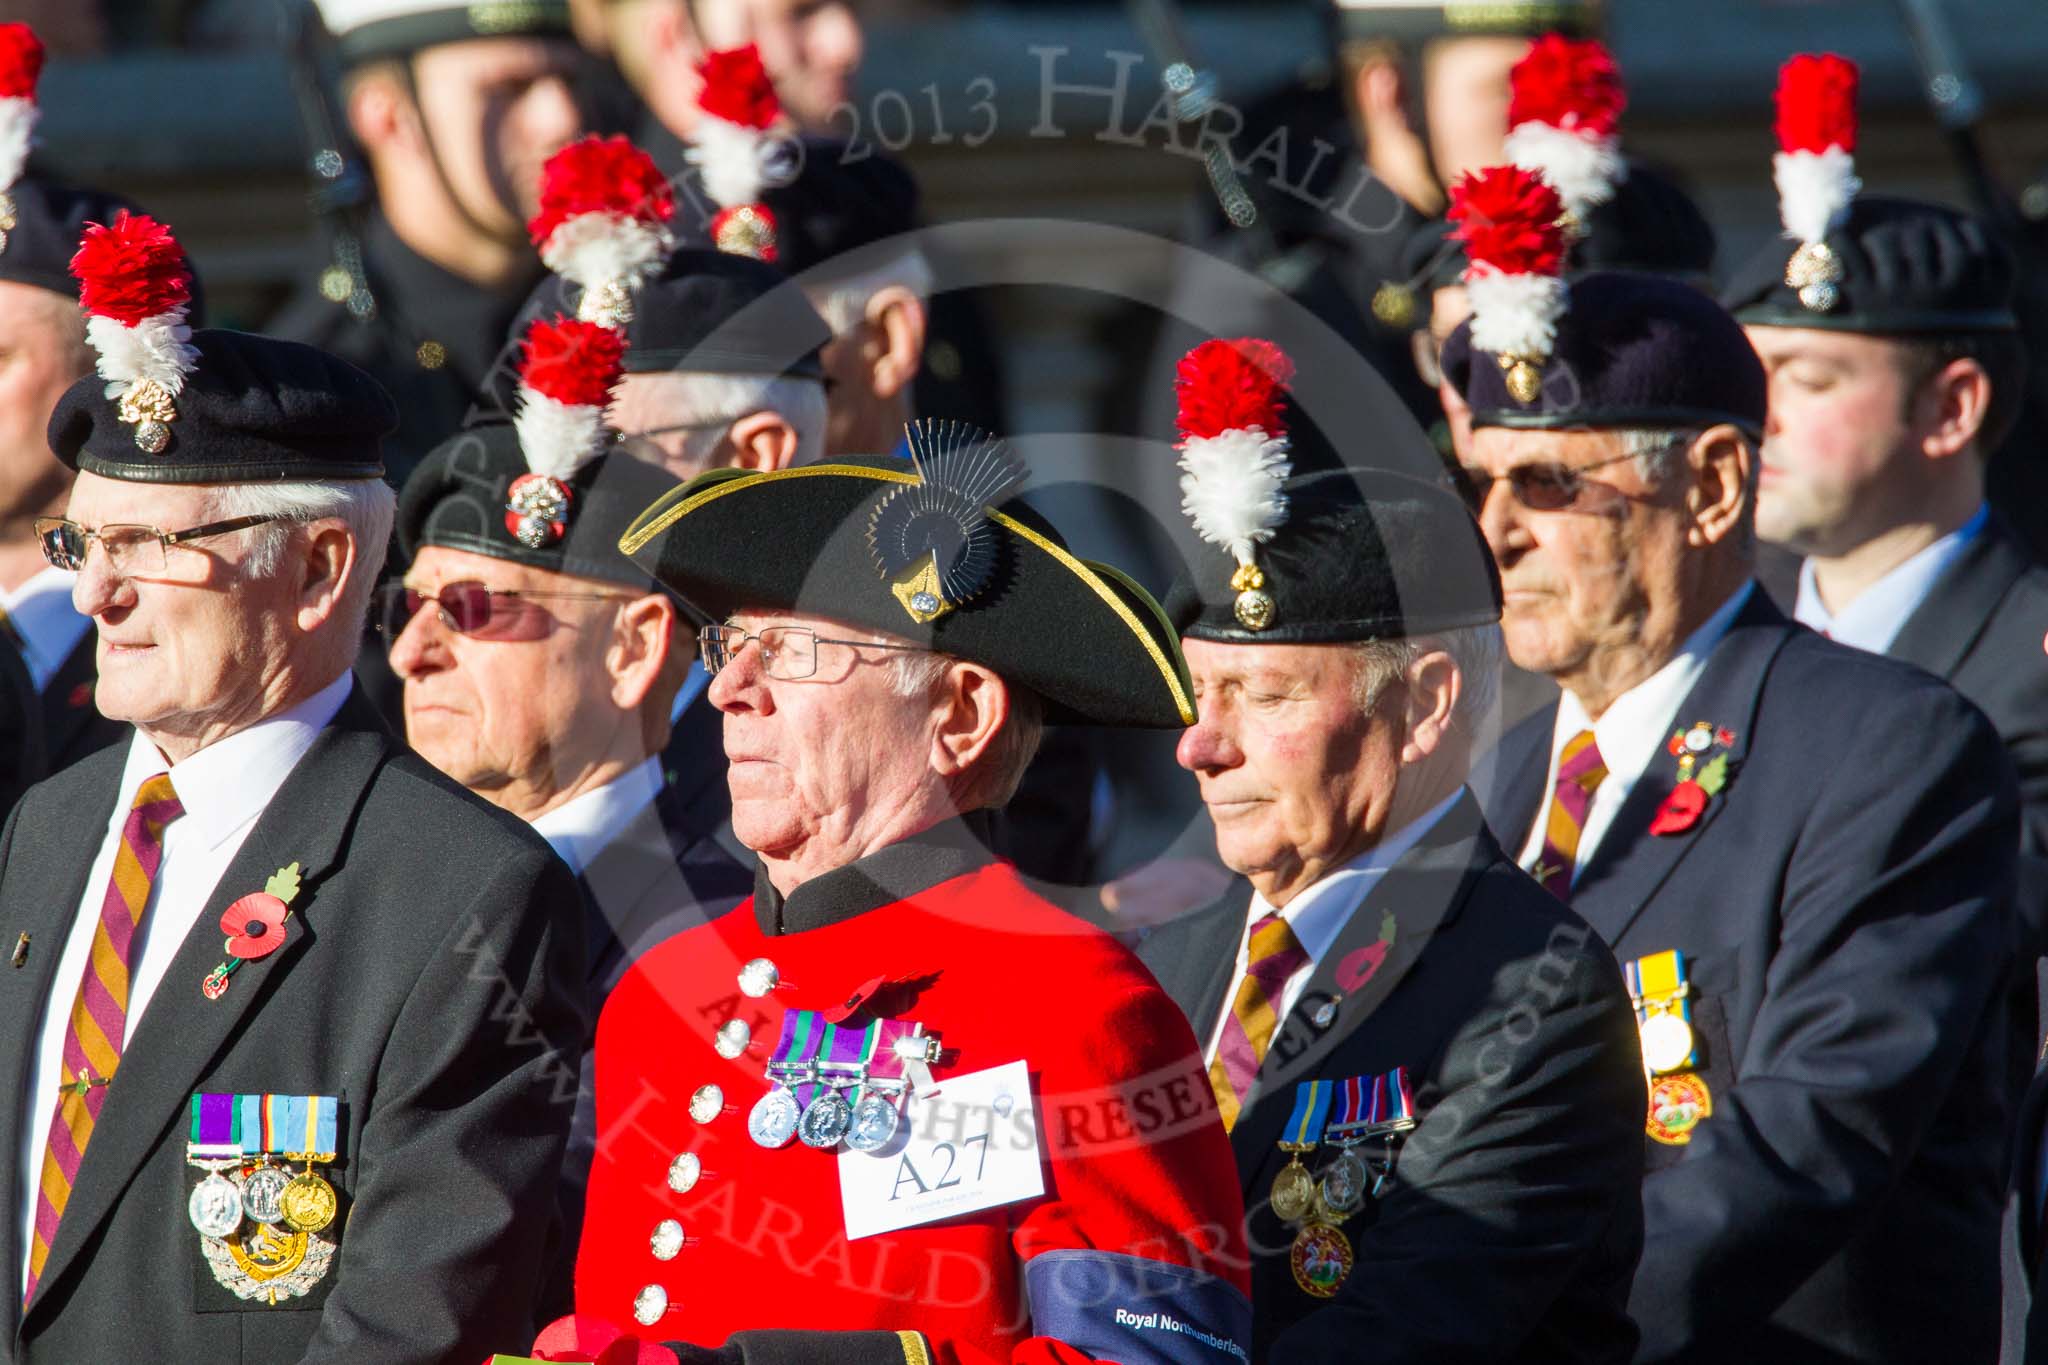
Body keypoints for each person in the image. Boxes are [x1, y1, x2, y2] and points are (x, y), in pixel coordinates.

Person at [517, 428, 1254, 1364]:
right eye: (734, 645)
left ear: (959, 715)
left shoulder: (1077, 1007)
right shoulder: (657, 1000)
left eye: (793, 650)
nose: (729, 689)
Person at [0, 218, 585, 1362]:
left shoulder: (462, 888)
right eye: (85, 547)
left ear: (317, 570)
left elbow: (418, 1322)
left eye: (150, 550)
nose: (95, 599)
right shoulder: (48, 829)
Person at [1446, 260, 2022, 1361]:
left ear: (1710, 487)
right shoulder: (1497, 783)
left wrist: (1511, 1329)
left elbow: (1809, 1136)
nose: (1496, 529)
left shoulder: (1883, 749)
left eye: (1547, 484)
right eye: (1482, 482)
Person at [1134, 336, 1644, 1363]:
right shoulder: (1164, 948)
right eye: (1198, 693)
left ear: (1420, 707)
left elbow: (1408, 1334)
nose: (1200, 743)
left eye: (1264, 694)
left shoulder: (1528, 991)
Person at [390, 335, 750, 1286]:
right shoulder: (359, 896)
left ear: (632, 648)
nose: (410, 653)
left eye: (469, 608)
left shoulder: (732, 940)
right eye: (409, 608)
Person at [1720, 64, 2048, 963]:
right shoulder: (1726, 634)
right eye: (1755, 376)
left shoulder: (2031, 670)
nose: (1762, 418)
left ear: (1952, 410)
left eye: (1812, 379)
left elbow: (1969, 943)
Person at [271, 0, 585, 482]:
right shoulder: (321, 388)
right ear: (388, 117)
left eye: (571, 82)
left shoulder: (624, 316)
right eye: (509, 88)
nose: (563, 118)